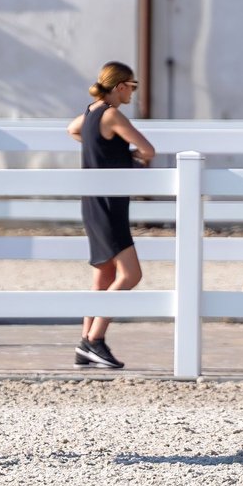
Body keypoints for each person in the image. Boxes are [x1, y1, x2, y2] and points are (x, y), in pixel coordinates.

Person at [66, 61, 155, 369]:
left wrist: (107, 151)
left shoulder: (90, 113)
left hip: (93, 202)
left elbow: (72, 130)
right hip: (109, 204)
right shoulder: (113, 114)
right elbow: (148, 150)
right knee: (131, 275)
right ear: (120, 87)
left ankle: (84, 344)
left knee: (103, 276)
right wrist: (127, 155)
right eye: (132, 86)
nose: (133, 92)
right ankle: (94, 339)